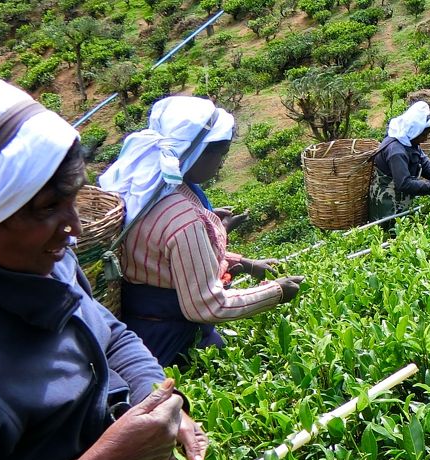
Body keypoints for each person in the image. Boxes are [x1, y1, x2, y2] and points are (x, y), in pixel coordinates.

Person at [0, 75, 207, 460]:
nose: (74, 229)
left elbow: (109, 332)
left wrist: (157, 400)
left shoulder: (48, 263)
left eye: (72, 200)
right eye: (47, 208)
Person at [99, 96, 304, 367]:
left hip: (140, 329)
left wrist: (244, 264)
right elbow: (207, 306)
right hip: (170, 345)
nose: (223, 162)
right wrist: (275, 292)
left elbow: (171, 262)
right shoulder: (182, 215)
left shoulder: (147, 190)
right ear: (197, 153)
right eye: (221, 153)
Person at [369, 101, 430, 221]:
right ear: (415, 132)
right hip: (389, 203)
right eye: (424, 135)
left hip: (402, 199)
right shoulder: (396, 151)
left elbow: (423, 161)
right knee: (391, 234)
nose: (426, 138)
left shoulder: (409, 140)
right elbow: (404, 183)